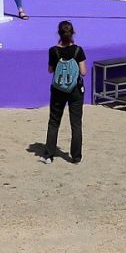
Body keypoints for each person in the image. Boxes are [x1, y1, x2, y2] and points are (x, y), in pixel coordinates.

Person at [42, 19, 86, 164]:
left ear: (59, 34)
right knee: (76, 123)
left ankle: (49, 154)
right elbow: (83, 72)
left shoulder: (53, 51)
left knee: (54, 121)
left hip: (58, 90)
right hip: (75, 90)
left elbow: (49, 70)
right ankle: (76, 157)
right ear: (72, 33)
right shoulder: (78, 50)